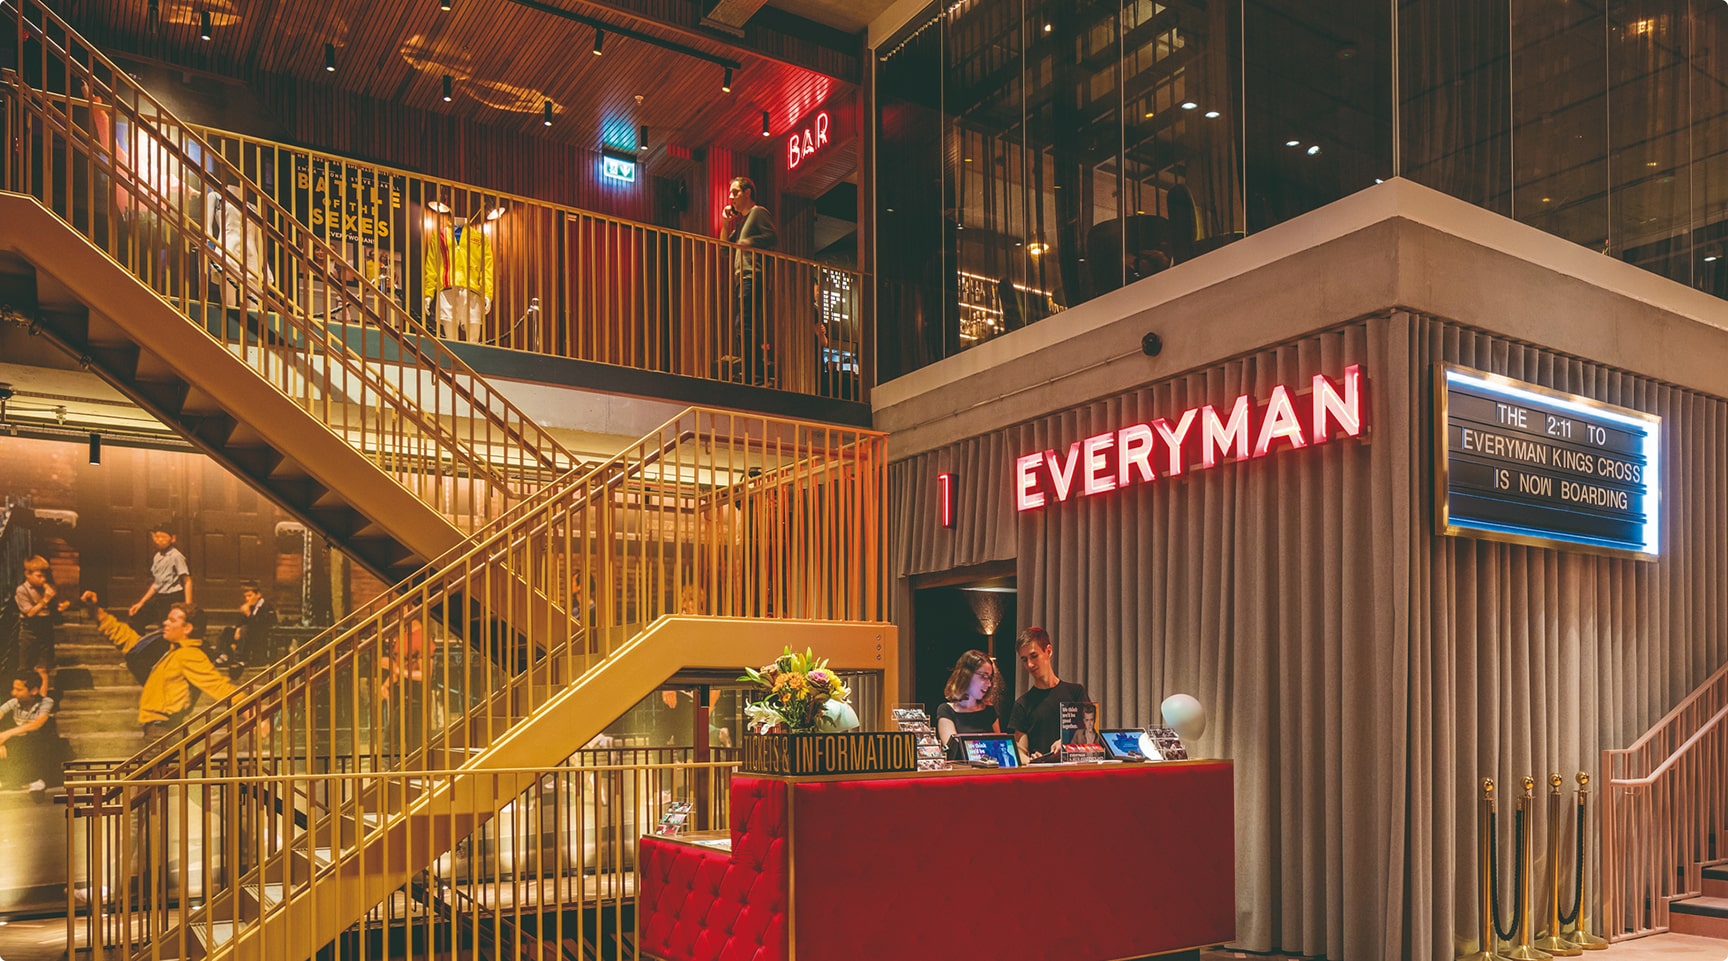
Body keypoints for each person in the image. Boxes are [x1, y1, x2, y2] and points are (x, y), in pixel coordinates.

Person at [83, 591, 237, 742]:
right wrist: (96, 611)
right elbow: (128, 640)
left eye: (172, 620)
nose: (165, 623)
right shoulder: (172, 651)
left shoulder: (190, 655)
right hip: (161, 731)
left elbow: (218, 686)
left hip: (165, 732)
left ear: (187, 628)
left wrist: (248, 709)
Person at [721, 176, 778, 386]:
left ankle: (753, 372)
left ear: (747, 193)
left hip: (753, 275)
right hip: (742, 278)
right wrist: (725, 223)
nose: (731, 197)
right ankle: (752, 371)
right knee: (744, 324)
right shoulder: (741, 222)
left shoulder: (758, 212)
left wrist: (749, 242)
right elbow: (724, 249)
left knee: (745, 323)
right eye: (731, 193)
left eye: (735, 192)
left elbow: (772, 237)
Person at [1007, 627, 1090, 762]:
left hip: (1075, 770)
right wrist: (1031, 761)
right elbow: (1020, 750)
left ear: (1048, 651)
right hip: (1043, 772)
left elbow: (1088, 735)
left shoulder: (1076, 693)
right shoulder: (1022, 704)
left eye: (1034, 656)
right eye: (1024, 660)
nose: (1030, 664)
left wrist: (1066, 741)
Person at [128, 525, 192, 635]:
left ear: (173, 539)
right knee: (136, 617)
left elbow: (187, 581)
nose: (160, 540)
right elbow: (156, 584)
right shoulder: (157, 556)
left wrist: (188, 606)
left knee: (166, 627)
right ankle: (140, 643)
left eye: (163, 537)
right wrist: (141, 603)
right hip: (159, 597)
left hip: (173, 598)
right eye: (157, 537)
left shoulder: (176, 556)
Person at [0, 671, 57, 792]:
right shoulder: (14, 702)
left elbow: (38, 723)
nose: (14, 693)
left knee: (31, 740)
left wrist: (7, 734)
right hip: (21, 743)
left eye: (19, 690)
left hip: (41, 745)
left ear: (34, 691)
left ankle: (36, 779)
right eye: (13, 689)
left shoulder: (46, 702)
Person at [935, 649, 1000, 748]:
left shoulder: (989, 711)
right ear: (966, 675)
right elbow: (953, 749)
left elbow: (1000, 745)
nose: (989, 684)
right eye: (983, 676)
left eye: (990, 678)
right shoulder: (946, 710)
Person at [14, 556, 57, 694]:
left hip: (45, 628)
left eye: (45, 576)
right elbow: (30, 613)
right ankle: (25, 698)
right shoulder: (22, 590)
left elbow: (53, 608)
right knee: (26, 667)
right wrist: (46, 599)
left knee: (43, 667)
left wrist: (60, 605)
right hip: (30, 630)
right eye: (39, 576)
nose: (43, 579)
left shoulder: (44, 588)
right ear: (27, 574)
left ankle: (43, 699)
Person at [214, 580, 276, 675]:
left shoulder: (266, 606)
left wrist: (248, 614)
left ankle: (240, 659)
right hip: (247, 633)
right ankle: (223, 655)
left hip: (260, 635)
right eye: (246, 596)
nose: (247, 599)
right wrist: (238, 628)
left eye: (250, 596)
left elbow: (260, 624)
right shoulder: (251, 606)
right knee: (227, 630)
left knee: (245, 630)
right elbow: (242, 622)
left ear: (258, 595)